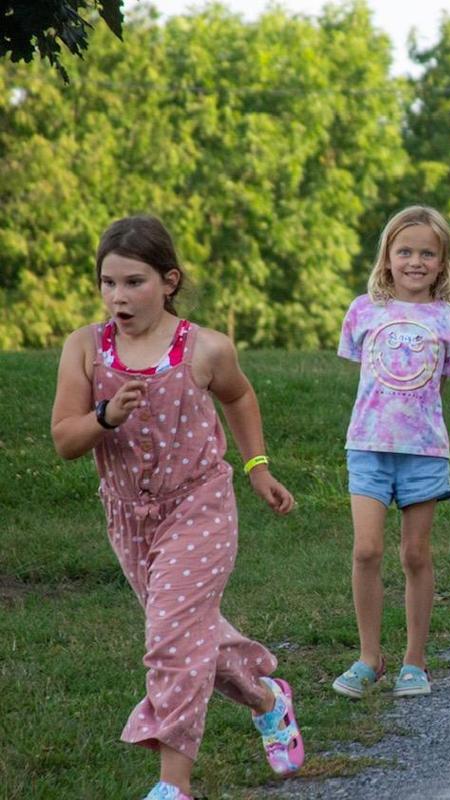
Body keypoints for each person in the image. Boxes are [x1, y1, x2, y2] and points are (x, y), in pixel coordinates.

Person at [50, 215, 303, 800]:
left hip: (199, 506)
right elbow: (64, 440)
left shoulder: (206, 348)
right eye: (108, 283)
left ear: (169, 281)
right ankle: (268, 697)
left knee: (170, 639)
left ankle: (173, 786)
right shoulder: (85, 348)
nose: (118, 296)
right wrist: (105, 416)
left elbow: (240, 396)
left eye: (133, 282)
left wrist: (257, 467)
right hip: (128, 518)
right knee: (191, 635)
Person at [331, 206, 450, 699]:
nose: (415, 261)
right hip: (367, 447)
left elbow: (440, 387)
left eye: (427, 253)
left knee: (415, 554)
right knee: (366, 550)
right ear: (387, 257)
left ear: (442, 262)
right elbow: (366, 377)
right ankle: (369, 658)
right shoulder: (363, 310)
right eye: (405, 251)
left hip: (424, 452)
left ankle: (415, 660)